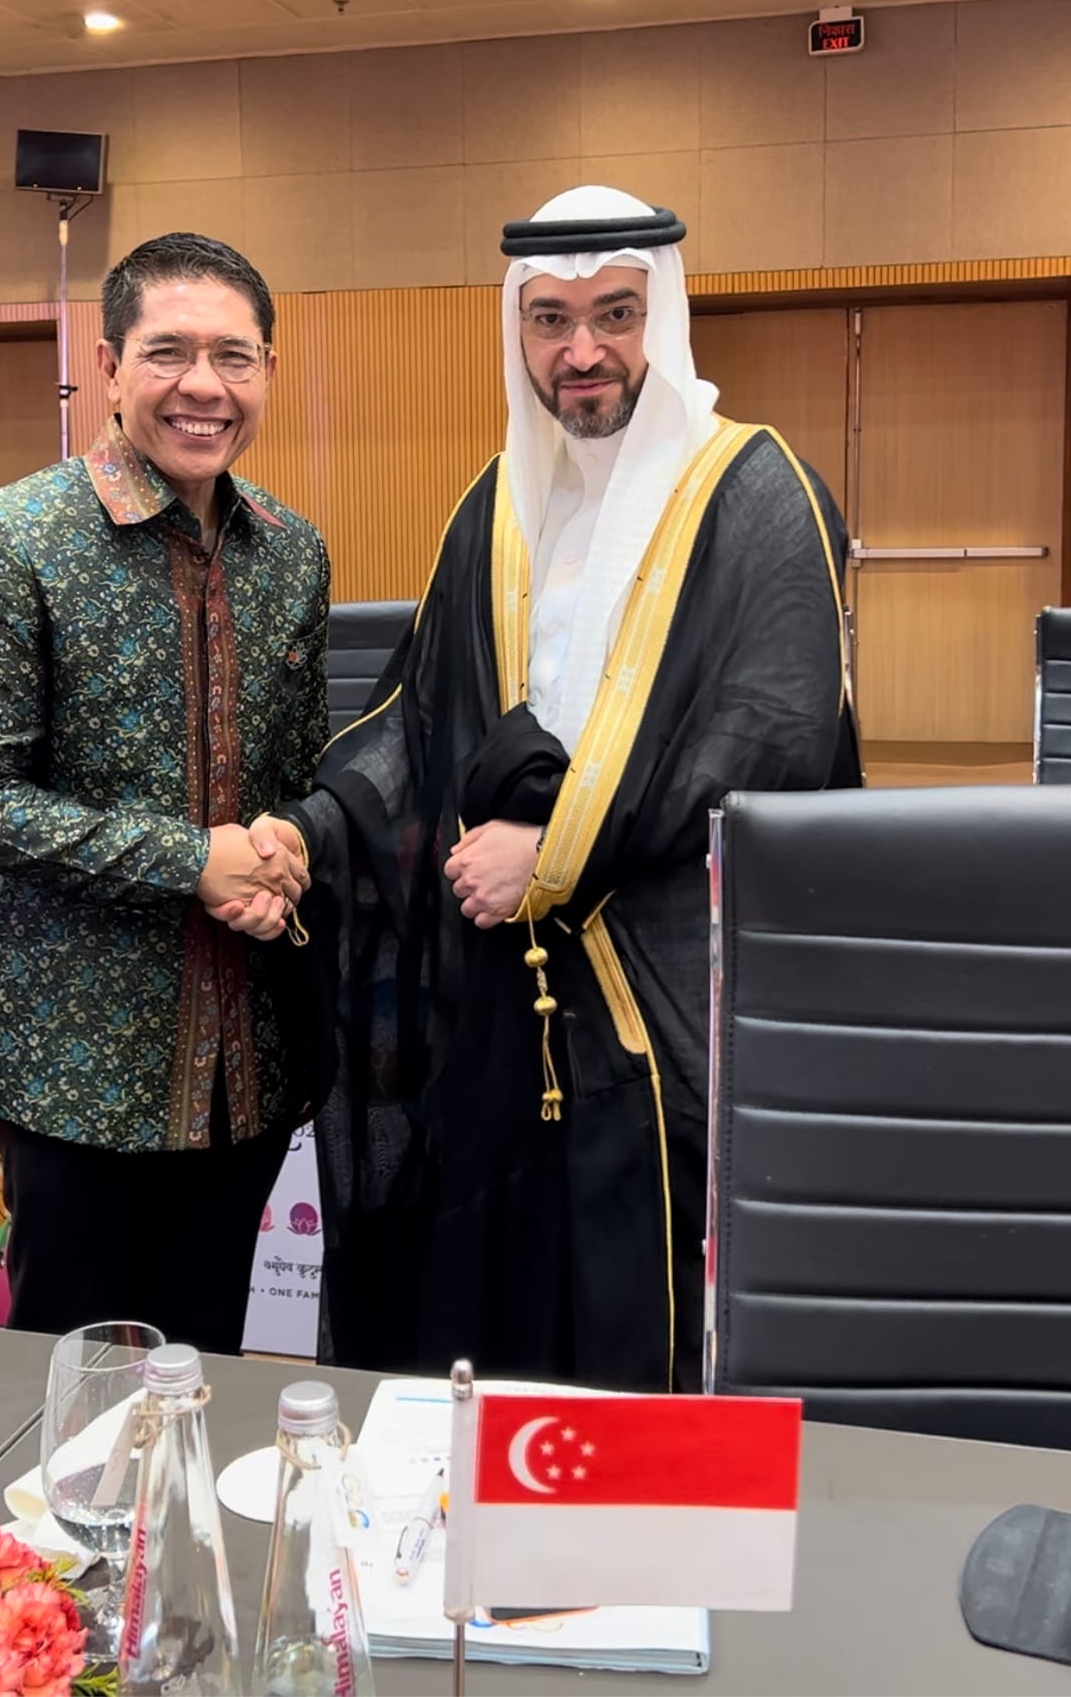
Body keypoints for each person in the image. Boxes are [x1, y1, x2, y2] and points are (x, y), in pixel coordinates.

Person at [216, 186, 860, 1392]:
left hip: (665, 998)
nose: (582, 351)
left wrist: (553, 850)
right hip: (500, 996)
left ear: (663, 318)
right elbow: (414, 721)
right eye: (551, 319)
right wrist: (306, 832)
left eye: (615, 314)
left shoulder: (757, 492)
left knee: (648, 1322)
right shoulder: (499, 506)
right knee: (499, 1315)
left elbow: (767, 740)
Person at [0, 231, 323, 1351]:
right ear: (108, 365)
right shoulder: (17, 534)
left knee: (208, 1372)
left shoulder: (292, 551)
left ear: (268, 371)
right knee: (74, 1384)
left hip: (246, 1063)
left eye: (233, 357)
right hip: (74, 1067)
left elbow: (302, 773)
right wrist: (193, 862)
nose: (205, 386)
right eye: (169, 353)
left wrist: (287, 848)